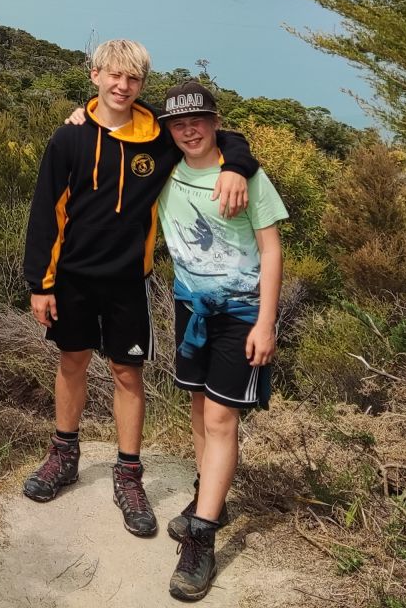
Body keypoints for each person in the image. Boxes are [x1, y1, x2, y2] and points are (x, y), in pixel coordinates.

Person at [21, 40, 259, 539]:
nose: (122, 86)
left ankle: (129, 475)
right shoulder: (69, 138)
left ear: (141, 84)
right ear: (95, 76)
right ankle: (63, 455)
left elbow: (222, 138)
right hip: (72, 279)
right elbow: (46, 212)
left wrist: (237, 166)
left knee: (127, 373)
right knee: (72, 361)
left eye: (133, 78)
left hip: (129, 280)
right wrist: (41, 284)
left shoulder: (157, 138)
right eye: (114, 75)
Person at [153, 79, 287, 602]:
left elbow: (271, 250)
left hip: (240, 313)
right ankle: (210, 499)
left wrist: (266, 323)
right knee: (197, 405)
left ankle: (202, 539)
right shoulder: (165, 166)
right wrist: (80, 115)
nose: (189, 131)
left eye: (199, 121)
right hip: (190, 308)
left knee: (220, 417)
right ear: (169, 129)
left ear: (216, 122)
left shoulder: (248, 178)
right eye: (179, 123)